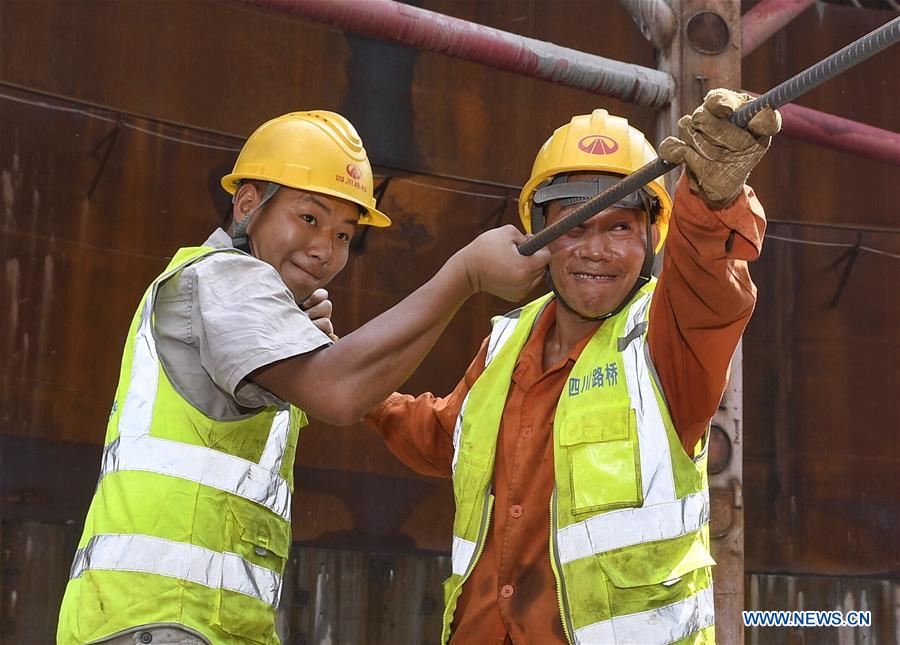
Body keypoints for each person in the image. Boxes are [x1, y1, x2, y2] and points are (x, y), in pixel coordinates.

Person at [57, 110, 550, 645]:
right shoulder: (219, 278)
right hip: (158, 620)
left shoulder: (235, 298)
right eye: (309, 219)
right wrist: (465, 274)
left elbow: (341, 386)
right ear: (248, 204)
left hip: (194, 623)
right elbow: (337, 393)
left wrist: (299, 340)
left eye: (343, 234)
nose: (325, 249)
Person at [365, 90, 781, 644]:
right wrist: (354, 385)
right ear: (539, 237)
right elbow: (448, 437)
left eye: (619, 228)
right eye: (575, 226)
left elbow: (709, 275)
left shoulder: (671, 338)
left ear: (652, 238)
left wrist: (712, 198)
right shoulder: (506, 341)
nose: (596, 250)